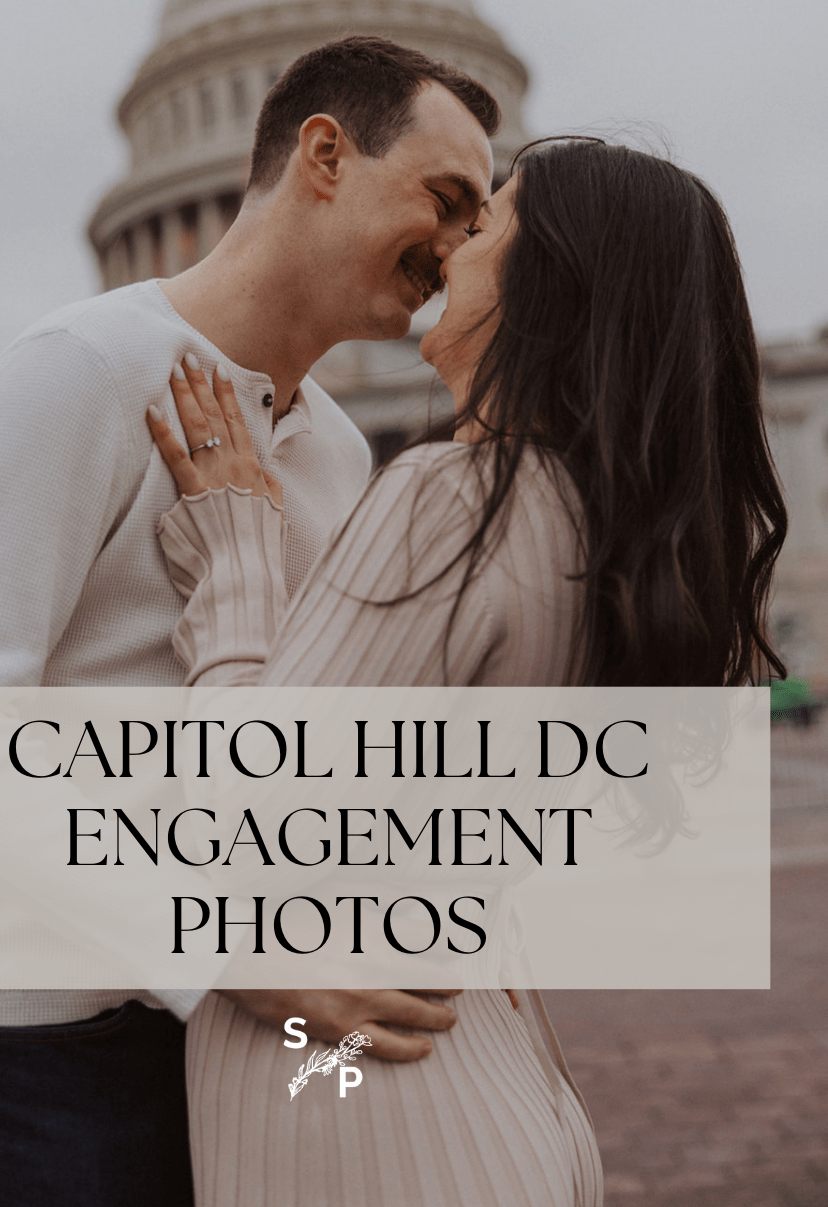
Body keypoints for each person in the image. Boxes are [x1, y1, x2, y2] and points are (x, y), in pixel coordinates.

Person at [0, 35, 499, 1207]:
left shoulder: (342, 453)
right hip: (39, 1051)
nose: (460, 249)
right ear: (322, 155)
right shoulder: (82, 369)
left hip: (222, 1037)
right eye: (446, 199)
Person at [148, 138, 787, 1207]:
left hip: (374, 1129)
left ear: (551, 288)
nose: (447, 249)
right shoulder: (597, 534)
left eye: (484, 226)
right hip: (474, 1087)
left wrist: (237, 559)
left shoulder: (451, 499)